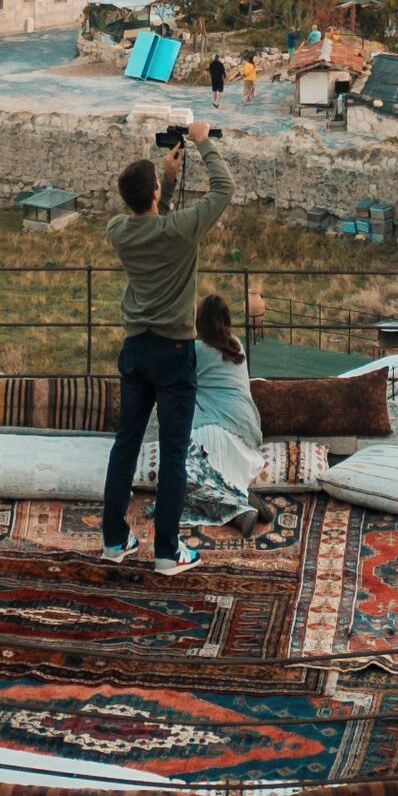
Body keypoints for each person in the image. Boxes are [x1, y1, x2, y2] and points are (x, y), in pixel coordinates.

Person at [100, 125, 234, 572]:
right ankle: (167, 551)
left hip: (136, 349)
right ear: (153, 193)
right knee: (174, 453)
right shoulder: (180, 231)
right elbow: (223, 187)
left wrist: (169, 179)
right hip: (175, 354)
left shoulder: (119, 231)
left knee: (126, 445)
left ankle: (115, 541)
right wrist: (201, 140)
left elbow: (151, 222)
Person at [185, 293, 265, 520]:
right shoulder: (237, 346)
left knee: (186, 476)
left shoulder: (195, 349)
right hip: (244, 428)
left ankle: (237, 510)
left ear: (199, 321)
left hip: (209, 429)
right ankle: (243, 495)